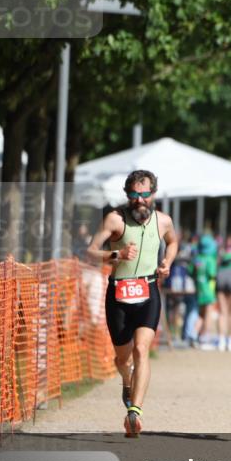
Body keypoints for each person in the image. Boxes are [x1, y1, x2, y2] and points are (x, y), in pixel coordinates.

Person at [86, 170, 178, 437]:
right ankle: (127, 381)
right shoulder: (115, 220)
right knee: (122, 358)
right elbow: (91, 251)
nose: (140, 200)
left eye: (144, 194)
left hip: (148, 291)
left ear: (153, 194)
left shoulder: (164, 221)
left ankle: (134, 413)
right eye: (135, 195)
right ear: (128, 195)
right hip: (119, 295)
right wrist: (117, 253)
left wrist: (167, 263)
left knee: (141, 350)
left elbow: (172, 242)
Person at [192, 235, 219, 349]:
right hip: (208, 289)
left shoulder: (197, 258)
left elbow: (191, 271)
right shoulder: (210, 259)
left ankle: (193, 334)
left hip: (199, 288)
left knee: (201, 314)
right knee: (208, 313)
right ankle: (204, 337)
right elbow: (212, 274)